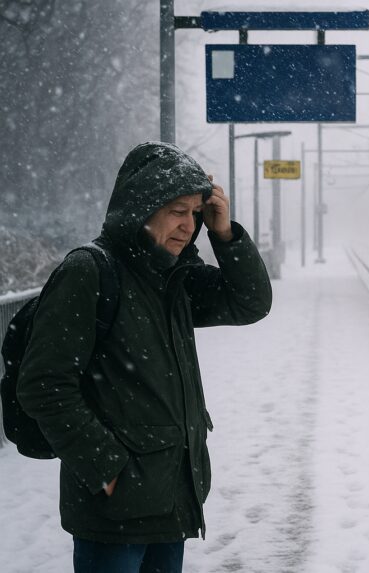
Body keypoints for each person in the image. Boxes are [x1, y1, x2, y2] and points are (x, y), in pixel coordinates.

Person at [16, 141, 273, 572]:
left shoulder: (173, 279)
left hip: (171, 496)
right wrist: (109, 472)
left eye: (195, 212)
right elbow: (44, 385)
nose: (188, 226)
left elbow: (249, 303)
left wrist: (224, 233)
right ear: (141, 207)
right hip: (114, 513)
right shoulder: (91, 271)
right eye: (177, 210)